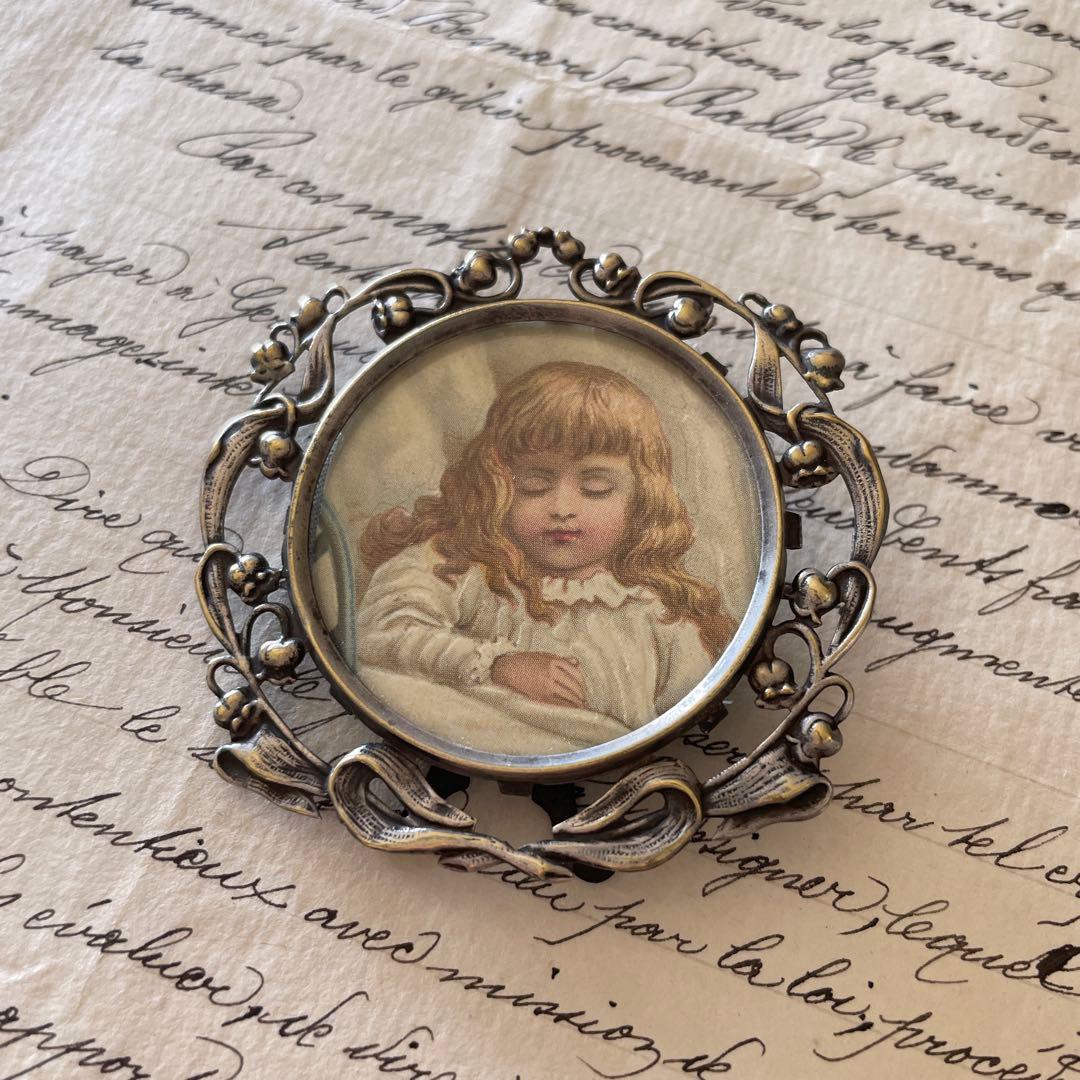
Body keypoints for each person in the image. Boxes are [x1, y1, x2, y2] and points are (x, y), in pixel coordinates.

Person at [353, 360, 738, 756]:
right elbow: (378, 637)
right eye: (535, 484)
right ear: (496, 485)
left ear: (641, 499)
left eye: (595, 487)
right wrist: (497, 666)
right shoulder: (458, 565)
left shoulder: (660, 615)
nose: (562, 508)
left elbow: (688, 716)